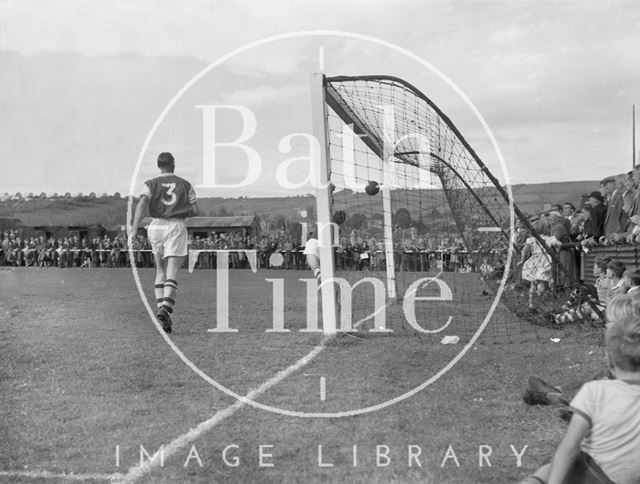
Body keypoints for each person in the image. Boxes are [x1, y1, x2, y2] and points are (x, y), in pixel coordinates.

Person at [520, 298, 640, 484]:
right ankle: (559, 395)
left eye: (610, 322)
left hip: (596, 472)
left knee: (565, 458)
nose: (605, 325)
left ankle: (559, 399)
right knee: (587, 383)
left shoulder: (598, 390)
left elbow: (568, 448)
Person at [129, 152, 200, 333]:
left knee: (159, 270)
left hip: (155, 226)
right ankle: (165, 308)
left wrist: (135, 228)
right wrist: (181, 211)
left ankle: (163, 315)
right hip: (175, 226)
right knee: (171, 272)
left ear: (158, 165)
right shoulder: (185, 184)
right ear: (173, 164)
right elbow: (195, 210)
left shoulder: (150, 184)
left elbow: (142, 204)